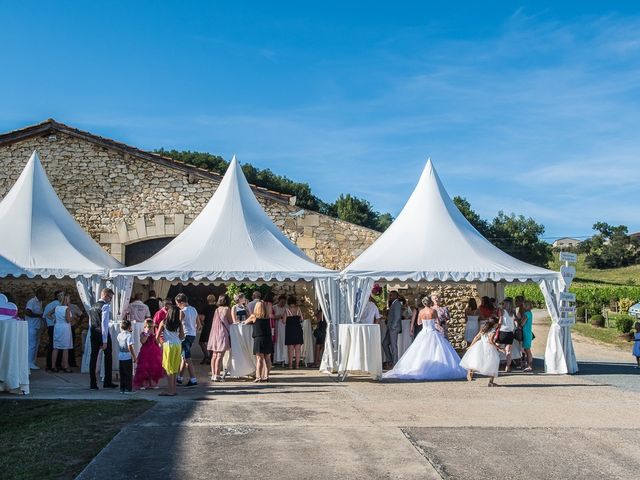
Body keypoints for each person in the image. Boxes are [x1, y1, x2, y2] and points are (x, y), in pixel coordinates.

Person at [383, 297, 466, 380]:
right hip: (433, 332)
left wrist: (424, 322)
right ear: (430, 303)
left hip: (424, 332)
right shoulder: (433, 311)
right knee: (436, 350)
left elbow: (418, 323)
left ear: (423, 303)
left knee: (421, 350)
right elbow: (438, 321)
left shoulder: (421, 312)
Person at [89, 288, 118, 390]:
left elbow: (91, 322)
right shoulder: (105, 306)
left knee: (93, 357)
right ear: (105, 295)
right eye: (110, 297)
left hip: (93, 333)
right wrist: (105, 340)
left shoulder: (92, 306)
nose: (110, 300)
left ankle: (93, 383)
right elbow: (104, 324)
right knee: (108, 357)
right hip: (102, 333)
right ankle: (107, 381)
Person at [460, 318, 501, 386]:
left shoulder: (483, 329)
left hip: (480, 345)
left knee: (479, 362)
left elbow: (476, 337)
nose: (498, 325)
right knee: (493, 363)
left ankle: (471, 370)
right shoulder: (493, 331)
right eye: (498, 323)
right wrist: (498, 348)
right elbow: (490, 341)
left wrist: (471, 346)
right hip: (489, 348)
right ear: (495, 324)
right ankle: (491, 382)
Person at [157, 305, 184, 396]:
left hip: (168, 345)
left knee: (169, 368)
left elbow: (157, 337)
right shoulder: (179, 323)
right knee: (175, 367)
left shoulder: (163, 322)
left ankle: (170, 390)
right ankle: (174, 389)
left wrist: (161, 343)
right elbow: (182, 336)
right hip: (178, 345)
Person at [245, 300, 273, 382]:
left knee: (259, 359)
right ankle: (266, 376)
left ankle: (258, 376)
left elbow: (246, 322)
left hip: (259, 339)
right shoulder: (267, 316)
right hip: (268, 338)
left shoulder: (254, 316)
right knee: (267, 358)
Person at [175, 293, 198, 387]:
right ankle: (180, 377)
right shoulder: (193, 309)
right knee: (183, 357)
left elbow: (178, 324)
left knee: (187, 358)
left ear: (182, 302)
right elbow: (198, 323)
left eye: (178, 303)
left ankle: (193, 379)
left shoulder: (182, 311)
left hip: (185, 336)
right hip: (192, 334)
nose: (177, 305)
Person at [134, 318, 164, 390]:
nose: (150, 328)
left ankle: (152, 383)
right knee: (144, 368)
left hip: (154, 354)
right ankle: (143, 383)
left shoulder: (155, 335)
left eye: (152, 327)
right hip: (145, 354)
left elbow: (159, 343)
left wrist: (158, 337)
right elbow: (143, 342)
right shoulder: (143, 334)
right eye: (148, 326)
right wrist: (147, 334)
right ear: (145, 327)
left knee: (153, 368)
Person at [208, 294, 232, 381]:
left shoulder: (217, 310)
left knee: (214, 355)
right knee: (219, 356)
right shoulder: (226, 309)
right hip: (223, 333)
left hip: (215, 333)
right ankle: (217, 375)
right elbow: (231, 321)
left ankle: (213, 374)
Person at [52, 293, 73, 373]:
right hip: (65, 328)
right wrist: (72, 317)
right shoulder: (67, 308)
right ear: (66, 300)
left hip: (57, 327)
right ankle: (65, 366)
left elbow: (48, 314)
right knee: (65, 347)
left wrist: (55, 319)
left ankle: (53, 366)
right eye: (69, 299)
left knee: (56, 347)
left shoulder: (56, 307)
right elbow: (68, 320)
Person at [25, 288, 45, 370]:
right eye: (43, 294)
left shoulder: (40, 302)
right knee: (31, 345)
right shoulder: (32, 301)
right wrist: (39, 315)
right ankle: (29, 363)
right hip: (31, 326)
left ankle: (33, 362)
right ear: (38, 294)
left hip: (37, 327)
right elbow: (27, 312)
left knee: (36, 345)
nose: (45, 296)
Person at [382, 291, 402, 368]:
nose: (389, 296)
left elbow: (397, 316)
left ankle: (395, 363)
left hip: (393, 328)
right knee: (384, 343)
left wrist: (393, 326)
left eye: (391, 295)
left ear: (395, 296)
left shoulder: (397, 303)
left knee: (394, 346)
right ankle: (390, 360)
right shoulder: (393, 303)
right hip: (390, 328)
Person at [43, 290, 62, 371]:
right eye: (62, 295)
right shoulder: (58, 304)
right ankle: (56, 364)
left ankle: (49, 364)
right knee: (58, 346)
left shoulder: (48, 305)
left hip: (50, 327)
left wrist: (47, 326)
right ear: (58, 296)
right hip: (56, 326)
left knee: (51, 345)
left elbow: (44, 317)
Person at [117, 319, 137, 394]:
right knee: (128, 373)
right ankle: (128, 389)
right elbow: (130, 347)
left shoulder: (119, 335)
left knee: (122, 373)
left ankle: (122, 388)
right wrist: (134, 356)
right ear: (129, 327)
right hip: (127, 356)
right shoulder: (129, 335)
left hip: (120, 355)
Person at [496, 298, 516, 373]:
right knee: (508, 351)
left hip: (502, 331)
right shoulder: (512, 311)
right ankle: (507, 367)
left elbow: (500, 320)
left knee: (496, 348)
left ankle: (495, 364)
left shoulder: (502, 311)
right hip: (510, 332)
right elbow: (514, 321)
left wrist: (497, 327)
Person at [285, 295, 304, 369]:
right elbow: (302, 319)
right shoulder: (298, 309)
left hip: (289, 330)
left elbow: (284, 321)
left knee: (290, 349)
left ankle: (290, 365)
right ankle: (297, 365)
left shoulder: (287, 310)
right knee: (298, 349)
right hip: (298, 329)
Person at [198, 294, 217, 365]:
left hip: (207, 326)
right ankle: (211, 356)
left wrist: (202, 324)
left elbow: (202, 318)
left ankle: (206, 355)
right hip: (215, 326)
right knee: (211, 342)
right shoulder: (216, 308)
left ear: (208, 300)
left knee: (201, 342)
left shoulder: (205, 308)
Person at [273, 295, 288, 365]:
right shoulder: (274, 307)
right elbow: (272, 317)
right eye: (282, 302)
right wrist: (279, 316)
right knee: (277, 342)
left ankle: (284, 358)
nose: (283, 303)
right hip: (277, 326)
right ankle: (277, 359)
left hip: (284, 327)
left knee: (283, 342)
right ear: (279, 301)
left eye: (284, 302)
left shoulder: (286, 308)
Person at [521, 301, 534, 372]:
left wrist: (518, 320)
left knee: (527, 350)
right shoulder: (530, 313)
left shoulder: (526, 314)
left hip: (526, 333)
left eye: (523, 305)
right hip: (528, 333)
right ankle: (528, 364)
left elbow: (522, 323)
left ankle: (529, 366)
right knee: (526, 350)